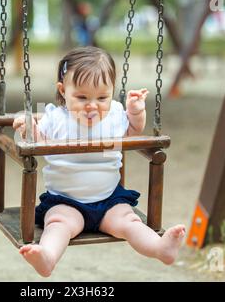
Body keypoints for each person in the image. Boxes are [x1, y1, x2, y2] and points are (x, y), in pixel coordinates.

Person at [12, 46, 185, 277]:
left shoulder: (114, 114)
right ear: (63, 91)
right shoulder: (55, 117)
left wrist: (135, 112)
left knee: (129, 222)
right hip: (66, 202)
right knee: (58, 225)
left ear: (112, 92)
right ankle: (47, 257)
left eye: (102, 97)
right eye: (82, 97)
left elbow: (132, 134)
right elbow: (39, 141)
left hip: (109, 201)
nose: (92, 105)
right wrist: (27, 126)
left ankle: (160, 248)